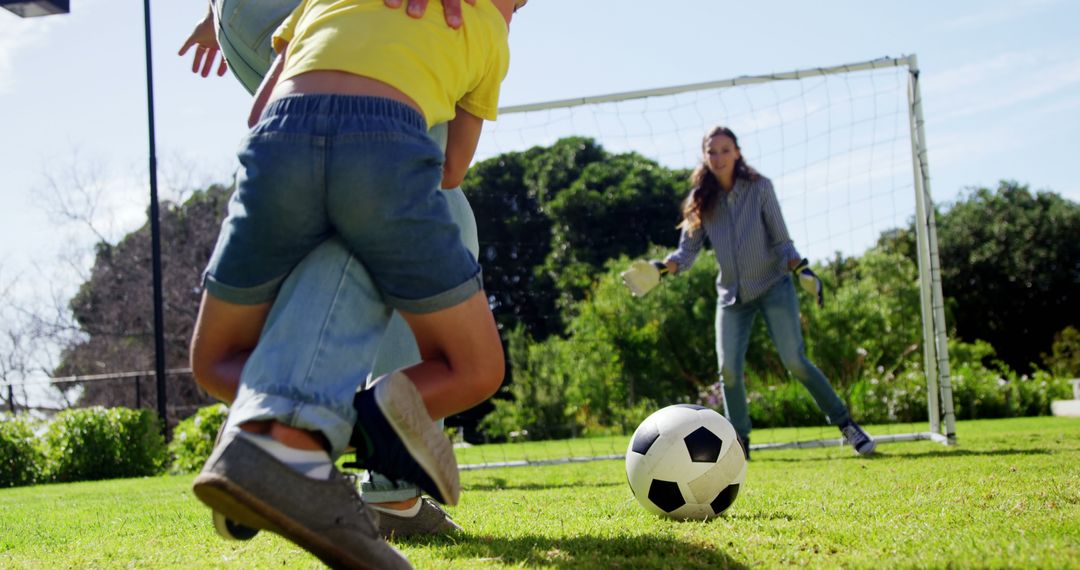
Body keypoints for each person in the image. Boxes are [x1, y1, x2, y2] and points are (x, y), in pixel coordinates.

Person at [190, 1, 524, 566]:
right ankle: (317, 448)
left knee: (212, 359)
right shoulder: (488, 32)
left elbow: (259, 114)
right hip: (383, 148)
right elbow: (450, 169)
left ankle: (267, 432)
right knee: (476, 367)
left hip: (275, 139)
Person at [628, 125, 875, 460]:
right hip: (731, 297)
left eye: (725, 150)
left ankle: (847, 425)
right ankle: (739, 443)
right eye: (711, 151)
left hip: (774, 285)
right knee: (728, 370)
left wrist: (800, 267)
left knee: (795, 361)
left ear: (737, 152)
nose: (718, 157)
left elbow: (782, 240)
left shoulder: (760, 188)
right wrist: (660, 267)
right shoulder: (700, 200)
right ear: (704, 156)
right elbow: (685, 254)